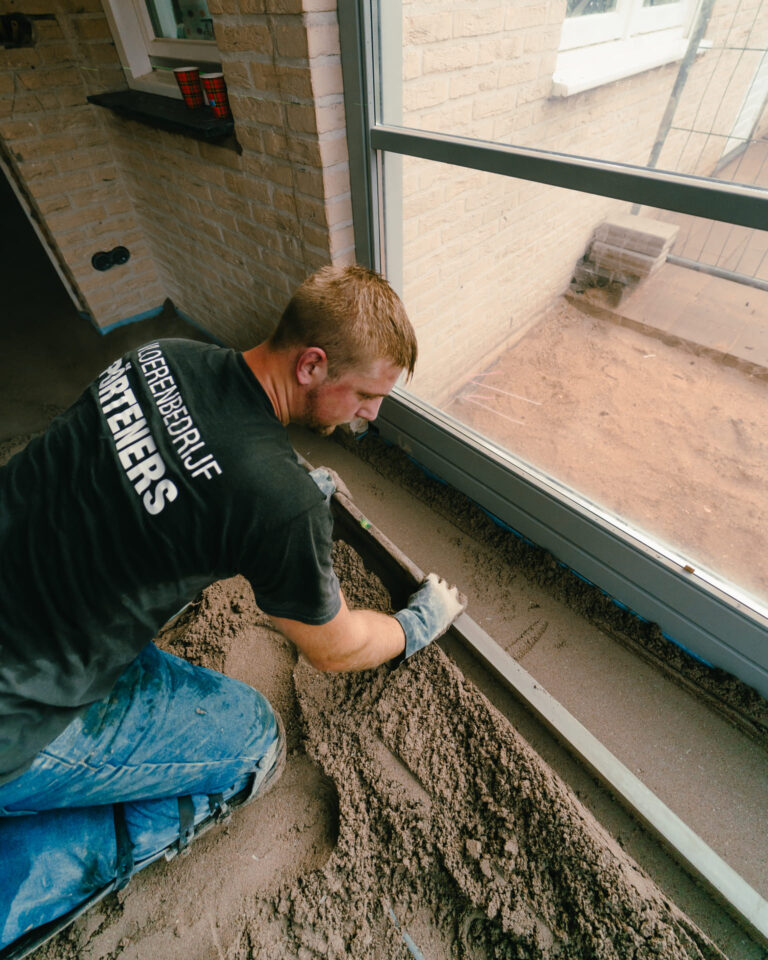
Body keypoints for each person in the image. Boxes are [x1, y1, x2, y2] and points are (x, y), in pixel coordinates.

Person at [0, 264, 465, 955]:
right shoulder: (277, 503)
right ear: (312, 364)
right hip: (19, 722)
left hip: (25, 608)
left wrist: (281, 493)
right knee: (253, 744)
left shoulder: (160, 356)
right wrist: (416, 623)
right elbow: (333, 648)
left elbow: (174, 466)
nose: (371, 414)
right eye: (367, 395)